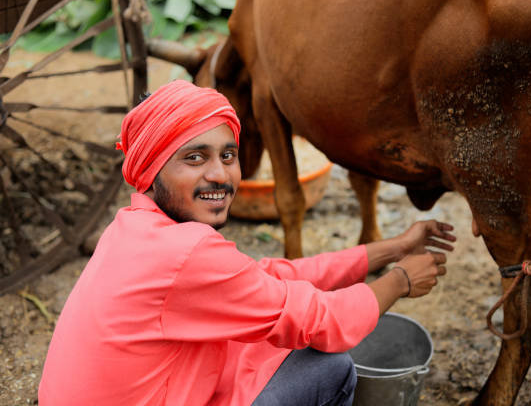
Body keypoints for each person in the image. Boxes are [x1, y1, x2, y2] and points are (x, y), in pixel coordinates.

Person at [38, 80, 455, 406]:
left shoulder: (133, 227)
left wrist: (392, 248)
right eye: (194, 158)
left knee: (255, 340)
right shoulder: (186, 253)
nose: (220, 175)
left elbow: (267, 277)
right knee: (328, 365)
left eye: (227, 155)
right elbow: (322, 322)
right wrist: (400, 280)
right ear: (151, 169)